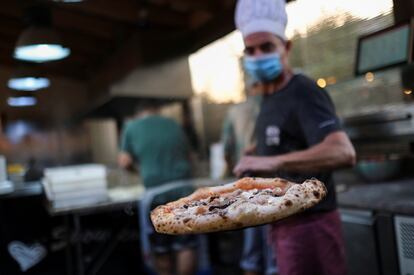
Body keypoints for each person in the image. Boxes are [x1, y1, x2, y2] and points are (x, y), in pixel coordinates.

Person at [233, 1, 356, 275]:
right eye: (250, 50)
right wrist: (257, 154)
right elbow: (284, 139)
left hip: (311, 224)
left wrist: (270, 162)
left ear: (286, 48)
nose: (257, 55)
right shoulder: (269, 95)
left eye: (266, 47)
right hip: (283, 223)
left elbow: (342, 151)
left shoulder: (303, 90)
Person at [118, 100, 198, 275]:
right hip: (185, 193)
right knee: (186, 245)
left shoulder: (131, 127)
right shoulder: (173, 124)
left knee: (162, 249)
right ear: (156, 111)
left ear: (139, 114)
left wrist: (139, 170)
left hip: (157, 197)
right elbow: (190, 157)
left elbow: (124, 162)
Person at [221, 82, 278, 275]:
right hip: (273, 182)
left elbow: (227, 150)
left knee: (251, 246)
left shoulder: (235, 111)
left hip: (246, 181)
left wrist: (233, 171)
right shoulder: (273, 105)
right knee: (272, 246)